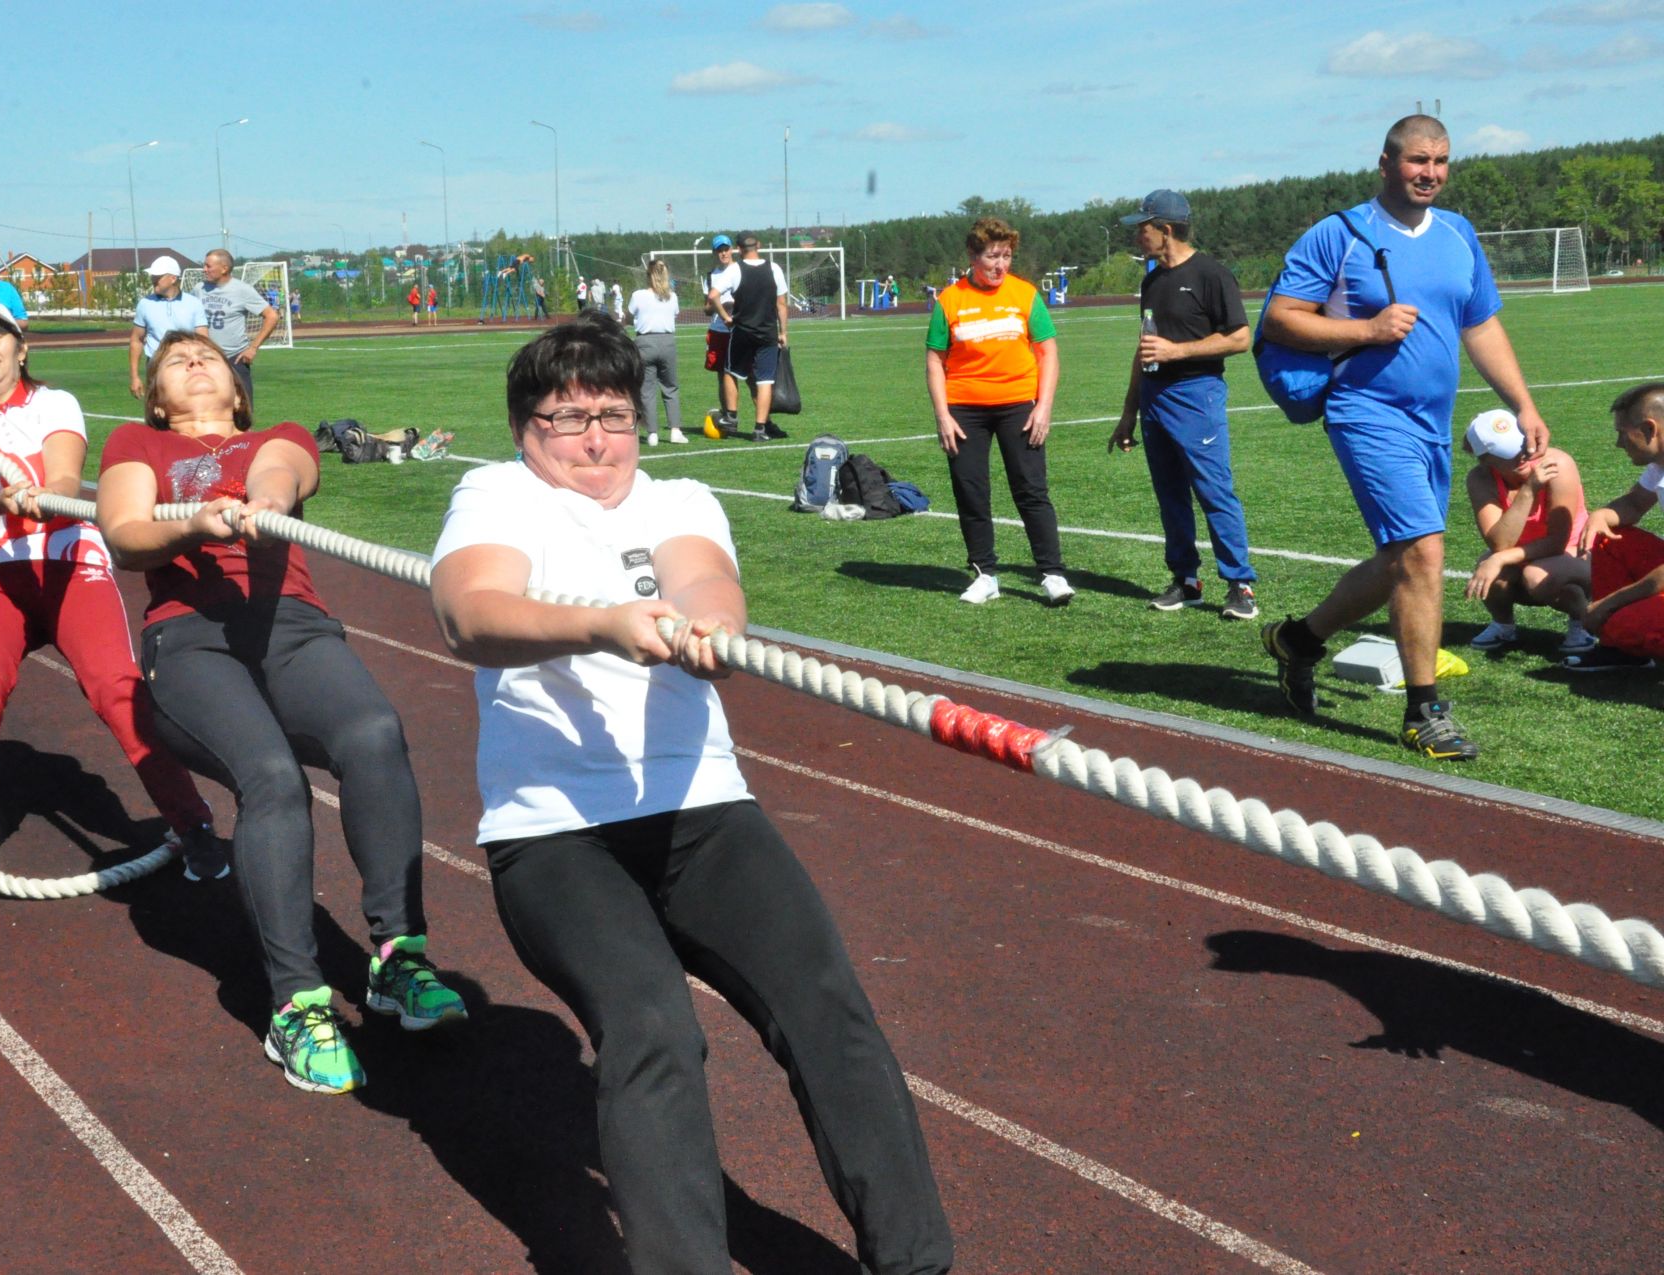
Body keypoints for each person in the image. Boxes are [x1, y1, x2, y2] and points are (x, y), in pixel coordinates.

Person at [428, 311, 953, 1274]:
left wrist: (709, 625)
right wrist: (602, 625)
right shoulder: (497, 494)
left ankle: (915, 1262)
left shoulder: (677, 497)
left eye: (616, 416)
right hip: (556, 834)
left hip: (701, 810)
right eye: (568, 418)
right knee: (652, 1026)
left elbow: (707, 583)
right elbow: (471, 612)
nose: (596, 439)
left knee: (828, 1009)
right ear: (523, 431)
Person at [96, 329, 467, 1094]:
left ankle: (399, 960)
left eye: (210, 357)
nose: (197, 362)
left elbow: (282, 472)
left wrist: (261, 502)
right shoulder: (137, 443)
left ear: (238, 389)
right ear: (157, 397)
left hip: (288, 624)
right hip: (191, 638)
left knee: (373, 733)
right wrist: (199, 520)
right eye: (175, 360)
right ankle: (297, 1004)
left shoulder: (278, 437)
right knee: (271, 776)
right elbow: (126, 532)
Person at [1258, 115, 1549, 761]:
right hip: (1365, 412)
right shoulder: (1340, 234)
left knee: (1400, 558)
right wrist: (1366, 330)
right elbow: (1279, 319)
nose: (1431, 173)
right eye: (1418, 160)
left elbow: (1481, 326)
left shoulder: (1457, 233)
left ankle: (1299, 640)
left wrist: (1522, 402)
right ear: (1386, 162)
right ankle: (1425, 712)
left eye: (1442, 161)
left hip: (1431, 422)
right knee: (1422, 552)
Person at [0, 299, 220, 905]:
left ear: (20, 347)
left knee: (117, 687)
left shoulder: (56, 403)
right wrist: (1, 502)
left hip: (69, 566)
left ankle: (194, 824)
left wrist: (40, 497)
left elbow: (64, 477)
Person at [1109, 190, 1259, 620]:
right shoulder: (1152, 280)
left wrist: (1176, 352)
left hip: (1197, 396)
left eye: (1144, 227)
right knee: (1170, 495)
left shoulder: (1212, 274)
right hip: (1155, 400)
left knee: (1214, 491)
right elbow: (1145, 349)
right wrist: (1128, 414)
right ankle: (1186, 580)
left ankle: (1240, 585)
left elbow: (1239, 337)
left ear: (1166, 230)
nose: (1138, 235)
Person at [927, 216, 1073, 607]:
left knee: (1031, 490)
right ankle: (984, 574)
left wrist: (1043, 407)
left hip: (1019, 407)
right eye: (992, 256)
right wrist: (943, 414)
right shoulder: (950, 300)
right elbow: (934, 360)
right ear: (973, 256)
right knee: (971, 492)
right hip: (964, 410)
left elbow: (1048, 352)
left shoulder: (1025, 295)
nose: (1000, 265)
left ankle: (1052, 574)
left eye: (1006, 256)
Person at [1460, 408, 1594, 656]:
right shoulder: (1480, 479)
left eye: (1523, 446)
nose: (1522, 456)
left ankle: (1582, 621)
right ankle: (1503, 625)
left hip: (1574, 553)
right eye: (1509, 453)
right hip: (1523, 554)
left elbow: (1556, 542)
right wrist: (1529, 490)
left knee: (1533, 575)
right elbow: (1500, 542)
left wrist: (1499, 558)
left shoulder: (1558, 464)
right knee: (1493, 570)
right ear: (1486, 460)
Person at [1564, 382, 1664, 672]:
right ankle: (1622, 651)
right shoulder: (1659, 463)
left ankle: (1623, 635)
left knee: (1619, 623)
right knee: (1611, 538)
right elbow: (1634, 504)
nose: (1619, 444)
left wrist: (1608, 605)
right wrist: (1600, 516)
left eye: (1622, 433)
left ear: (1649, 429)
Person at [712, 234, 791, 442]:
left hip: (742, 332)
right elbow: (781, 304)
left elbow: (713, 296)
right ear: (759, 246)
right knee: (765, 381)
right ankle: (759, 429)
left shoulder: (735, 269)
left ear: (738, 249)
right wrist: (783, 332)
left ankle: (731, 416)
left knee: (730, 372)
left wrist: (726, 317)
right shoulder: (774, 269)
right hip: (767, 333)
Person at [196, 249, 280, 401]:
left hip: (234, 359)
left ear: (224, 268)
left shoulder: (242, 290)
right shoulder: (199, 289)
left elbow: (272, 316)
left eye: (208, 266)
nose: (204, 270)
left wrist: (253, 348)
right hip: (205, 359)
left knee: (242, 413)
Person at [627, 258, 687, 447]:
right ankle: (675, 430)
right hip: (667, 342)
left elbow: (629, 315)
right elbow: (674, 313)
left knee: (647, 390)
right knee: (670, 387)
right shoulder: (673, 297)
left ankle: (652, 433)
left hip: (645, 342)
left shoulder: (638, 295)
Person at [128, 256, 206, 400]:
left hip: (186, 366)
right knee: (157, 415)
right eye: (153, 276)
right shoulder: (145, 304)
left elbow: (203, 340)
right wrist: (135, 377)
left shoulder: (194, 303)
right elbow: (136, 341)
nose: (153, 280)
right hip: (155, 366)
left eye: (158, 276)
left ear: (173, 278)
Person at [701, 234, 742, 436]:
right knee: (721, 375)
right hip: (718, 331)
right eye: (719, 250)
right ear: (715, 253)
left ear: (732, 249)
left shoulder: (741, 271)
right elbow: (706, 309)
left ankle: (763, 421)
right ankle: (727, 416)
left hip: (740, 330)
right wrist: (719, 307)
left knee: (747, 375)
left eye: (726, 249)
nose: (723, 253)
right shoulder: (711, 276)